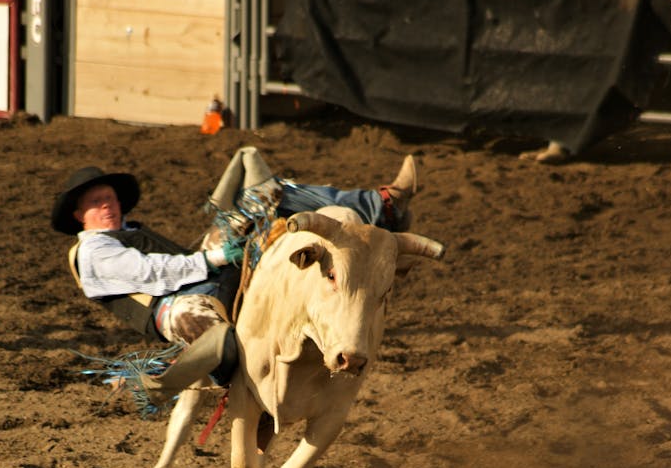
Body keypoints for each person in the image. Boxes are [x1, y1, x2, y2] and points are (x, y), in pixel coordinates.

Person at [51, 148, 418, 404]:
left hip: (203, 278)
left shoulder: (126, 232)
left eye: (110, 198)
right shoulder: (93, 251)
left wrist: (215, 255)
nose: (107, 206)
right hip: (174, 306)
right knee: (226, 345)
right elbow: (152, 273)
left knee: (264, 196)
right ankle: (178, 374)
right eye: (96, 202)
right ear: (78, 215)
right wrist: (214, 257)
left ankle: (381, 204)